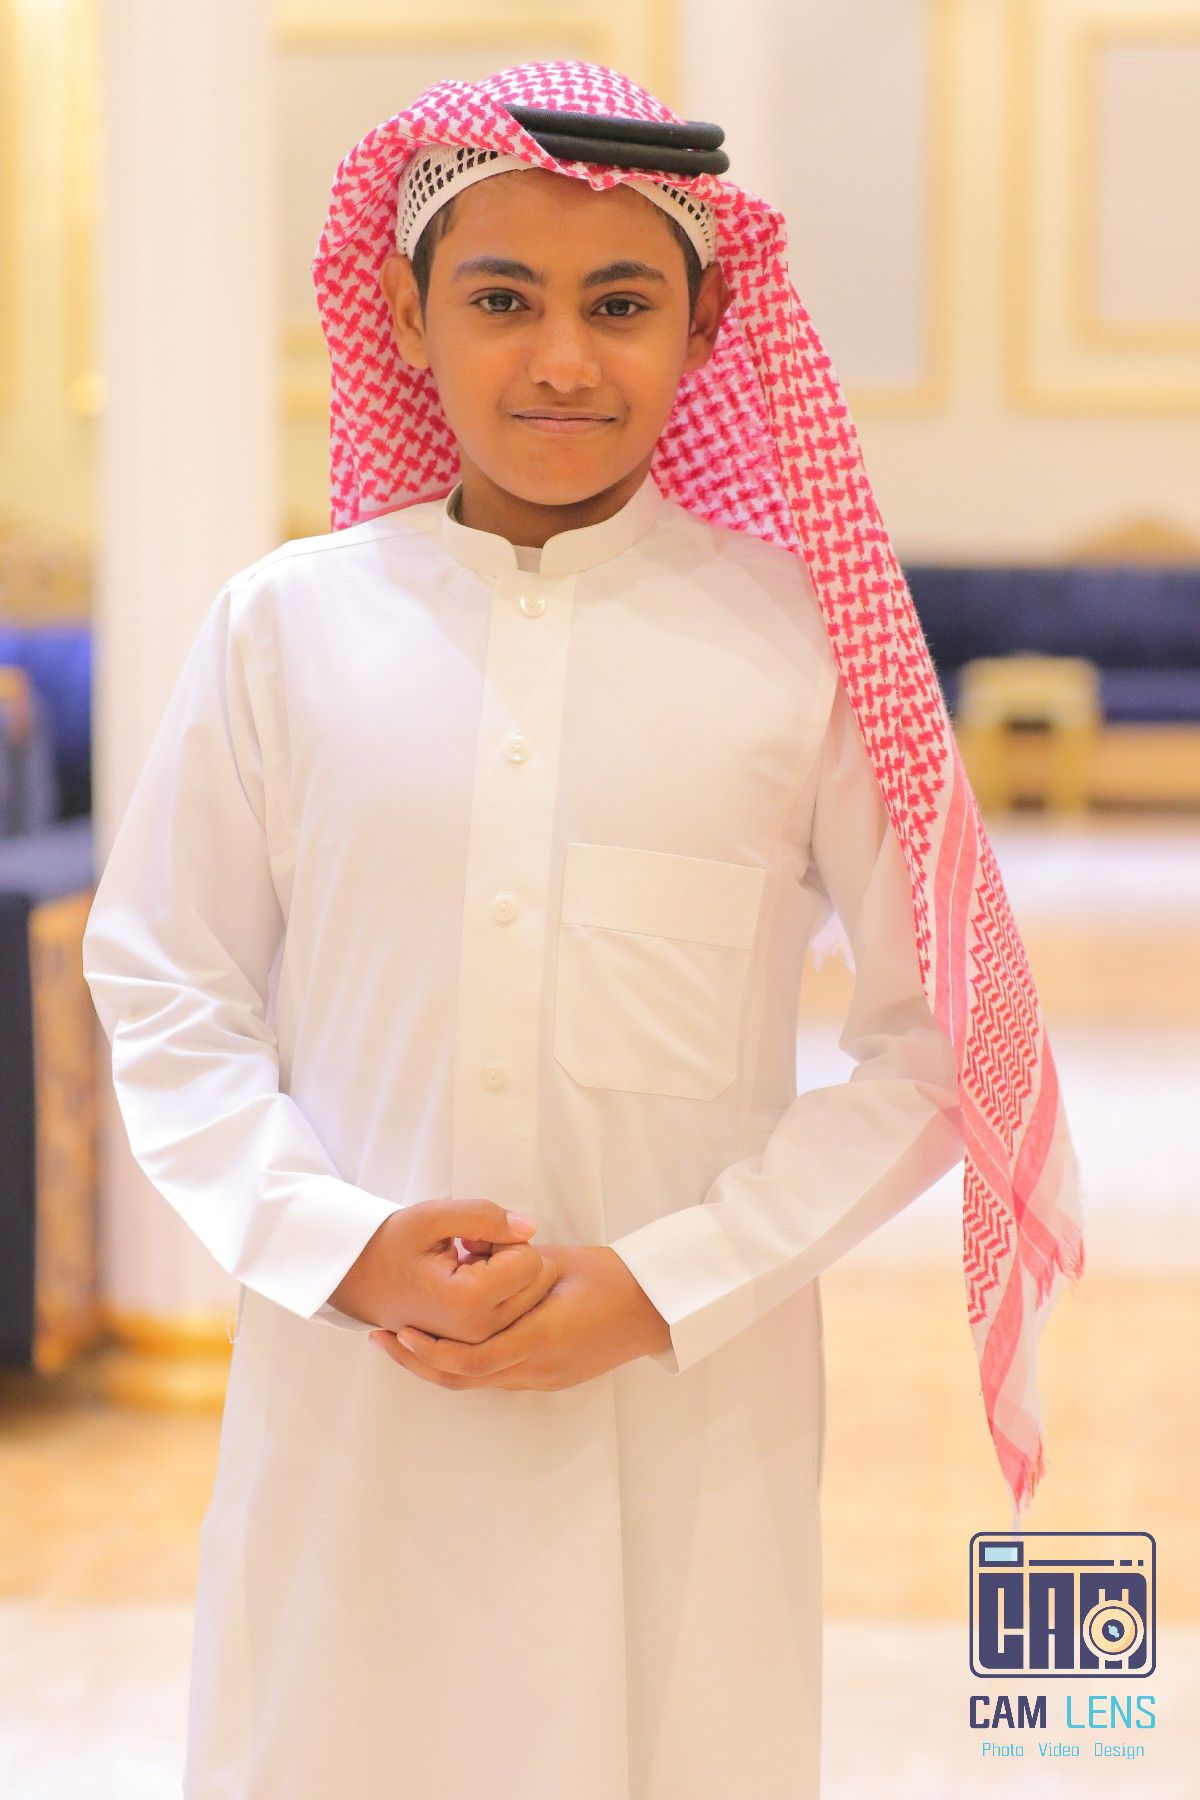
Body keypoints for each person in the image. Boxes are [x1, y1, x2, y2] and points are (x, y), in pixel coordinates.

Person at [82, 59, 1085, 1799]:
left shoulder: (801, 648)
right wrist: (334, 1243)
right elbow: (169, 984)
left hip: (684, 1406)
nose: (563, 358)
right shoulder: (282, 629)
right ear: (406, 316)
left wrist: (665, 1284)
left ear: (705, 330)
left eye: (621, 303)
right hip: (357, 1398)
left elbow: (944, 1042)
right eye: (501, 300)